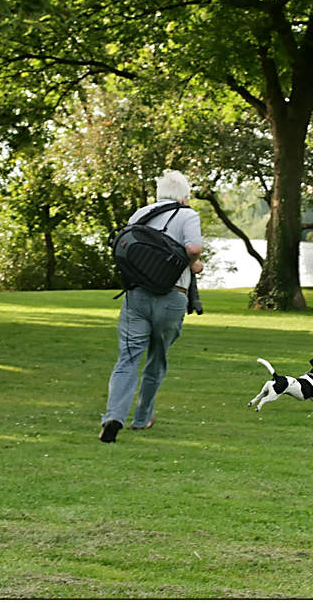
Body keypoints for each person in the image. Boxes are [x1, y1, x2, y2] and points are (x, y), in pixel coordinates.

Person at [99, 170, 203, 443]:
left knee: (128, 357)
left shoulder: (139, 215)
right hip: (172, 296)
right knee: (157, 357)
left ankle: (113, 417)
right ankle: (142, 418)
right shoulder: (188, 214)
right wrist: (194, 265)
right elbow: (193, 248)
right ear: (184, 194)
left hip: (137, 295)